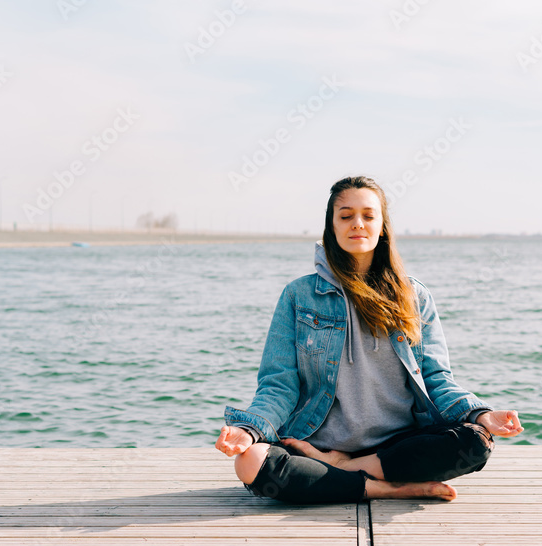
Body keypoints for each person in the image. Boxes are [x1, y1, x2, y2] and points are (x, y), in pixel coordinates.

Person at [214, 175, 523, 504]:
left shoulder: (413, 295)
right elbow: (279, 384)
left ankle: (345, 470)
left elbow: (436, 379)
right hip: (315, 445)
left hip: (398, 446)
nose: (357, 224)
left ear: (382, 225)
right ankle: (382, 487)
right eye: (345, 216)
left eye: (368, 215)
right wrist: (250, 430)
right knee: (250, 462)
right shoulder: (298, 295)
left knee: (477, 440)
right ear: (331, 226)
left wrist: (479, 413)